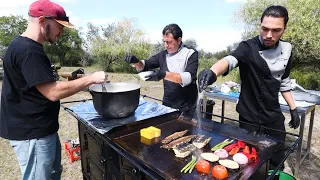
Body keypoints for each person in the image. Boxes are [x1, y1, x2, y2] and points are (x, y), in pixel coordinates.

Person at [0, 0, 106, 180]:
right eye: (59, 26)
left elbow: (41, 85)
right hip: (32, 134)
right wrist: (91, 79)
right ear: (42, 21)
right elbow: (53, 92)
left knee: (51, 174)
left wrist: (80, 82)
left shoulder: (26, 46)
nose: (62, 32)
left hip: (41, 130)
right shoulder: (29, 51)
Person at [198, 5, 300, 170]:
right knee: (250, 161)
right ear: (260, 25)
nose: (268, 35)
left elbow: (284, 81)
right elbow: (230, 60)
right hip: (249, 117)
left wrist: (293, 108)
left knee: (276, 160)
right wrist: (212, 72)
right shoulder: (247, 47)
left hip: (273, 116)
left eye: (276, 30)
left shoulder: (287, 50)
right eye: (265, 29)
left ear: (284, 29)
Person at [124, 24, 198, 116]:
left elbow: (189, 77)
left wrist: (163, 74)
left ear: (179, 40)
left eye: (169, 42)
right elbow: (145, 65)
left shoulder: (190, 53)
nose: (166, 45)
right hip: (168, 103)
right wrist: (136, 62)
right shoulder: (162, 55)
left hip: (188, 105)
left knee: (187, 130)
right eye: (164, 42)